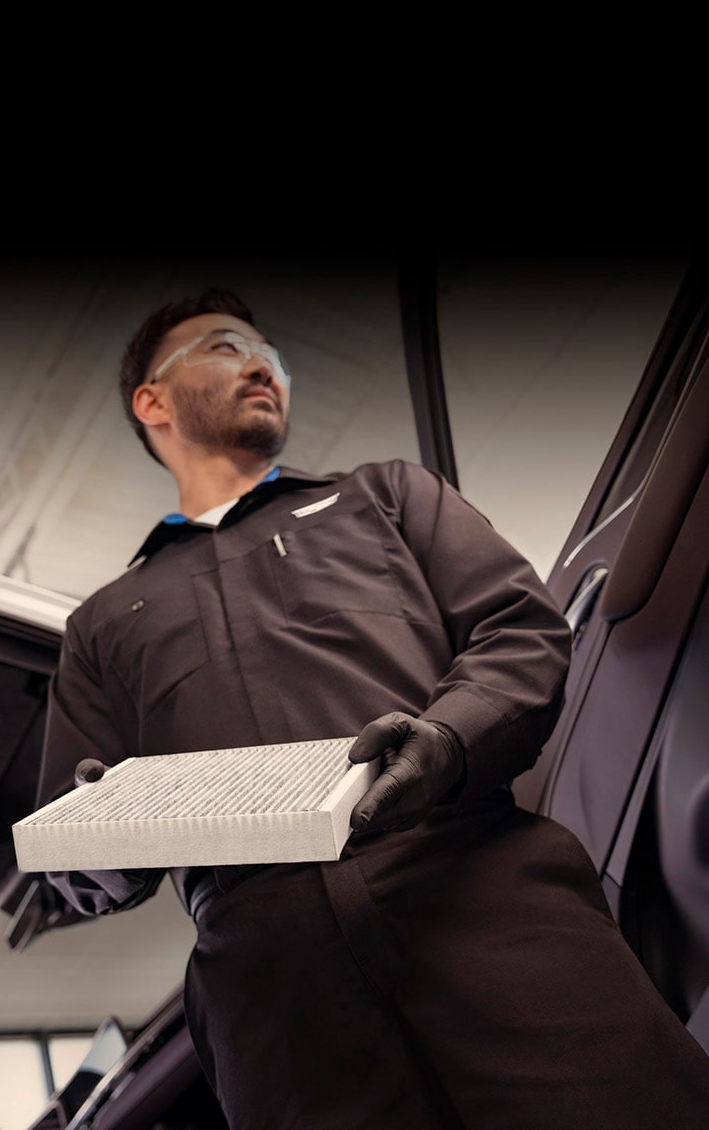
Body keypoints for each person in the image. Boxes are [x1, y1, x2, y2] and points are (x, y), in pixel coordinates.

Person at [39, 288, 709, 1129]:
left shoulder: (388, 497)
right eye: (225, 347)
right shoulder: (102, 623)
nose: (263, 366)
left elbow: (519, 630)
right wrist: (104, 838)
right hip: (274, 1004)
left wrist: (447, 740)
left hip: (486, 902)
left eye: (272, 356)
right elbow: (67, 830)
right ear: (153, 402)